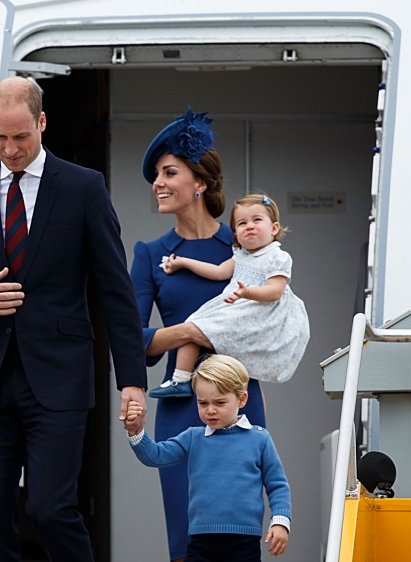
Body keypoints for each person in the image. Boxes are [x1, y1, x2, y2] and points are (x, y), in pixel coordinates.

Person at [0, 76, 147, 562]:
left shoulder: (84, 187)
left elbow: (114, 289)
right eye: (0, 137)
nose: (10, 148)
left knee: (50, 507)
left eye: (21, 137)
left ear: (42, 123)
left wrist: (132, 379)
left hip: (58, 378)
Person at [129, 107, 268, 561]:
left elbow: (271, 320)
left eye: (170, 172)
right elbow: (133, 340)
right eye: (156, 175)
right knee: (188, 538)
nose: (158, 183)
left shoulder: (244, 245)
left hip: (241, 400)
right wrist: (192, 331)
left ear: (200, 183)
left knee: (240, 530)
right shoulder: (151, 253)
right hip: (180, 407)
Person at [123, 354, 291, 561]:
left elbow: (278, 486)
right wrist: (136, 430)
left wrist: (280, 522)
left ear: (242, 399)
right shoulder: (193, 437)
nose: (210, 410)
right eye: (203, 403)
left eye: (220, 402)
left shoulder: (260, 439)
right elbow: (156, 456)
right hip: (200, 541)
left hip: (244, 542)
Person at [150, 192, 310, 398]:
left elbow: (274, 291)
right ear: (236, 234)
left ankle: (198, 381)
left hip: (259, 314)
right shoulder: (241, 256)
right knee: (195, 324)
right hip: (236, 307)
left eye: (257, 220)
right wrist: (184, 262)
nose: (249, 226)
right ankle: (180, 379)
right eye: (242, 223)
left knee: (196, 329)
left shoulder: (277, 257)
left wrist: (247, 292)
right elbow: (218, 272)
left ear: (274, 228)